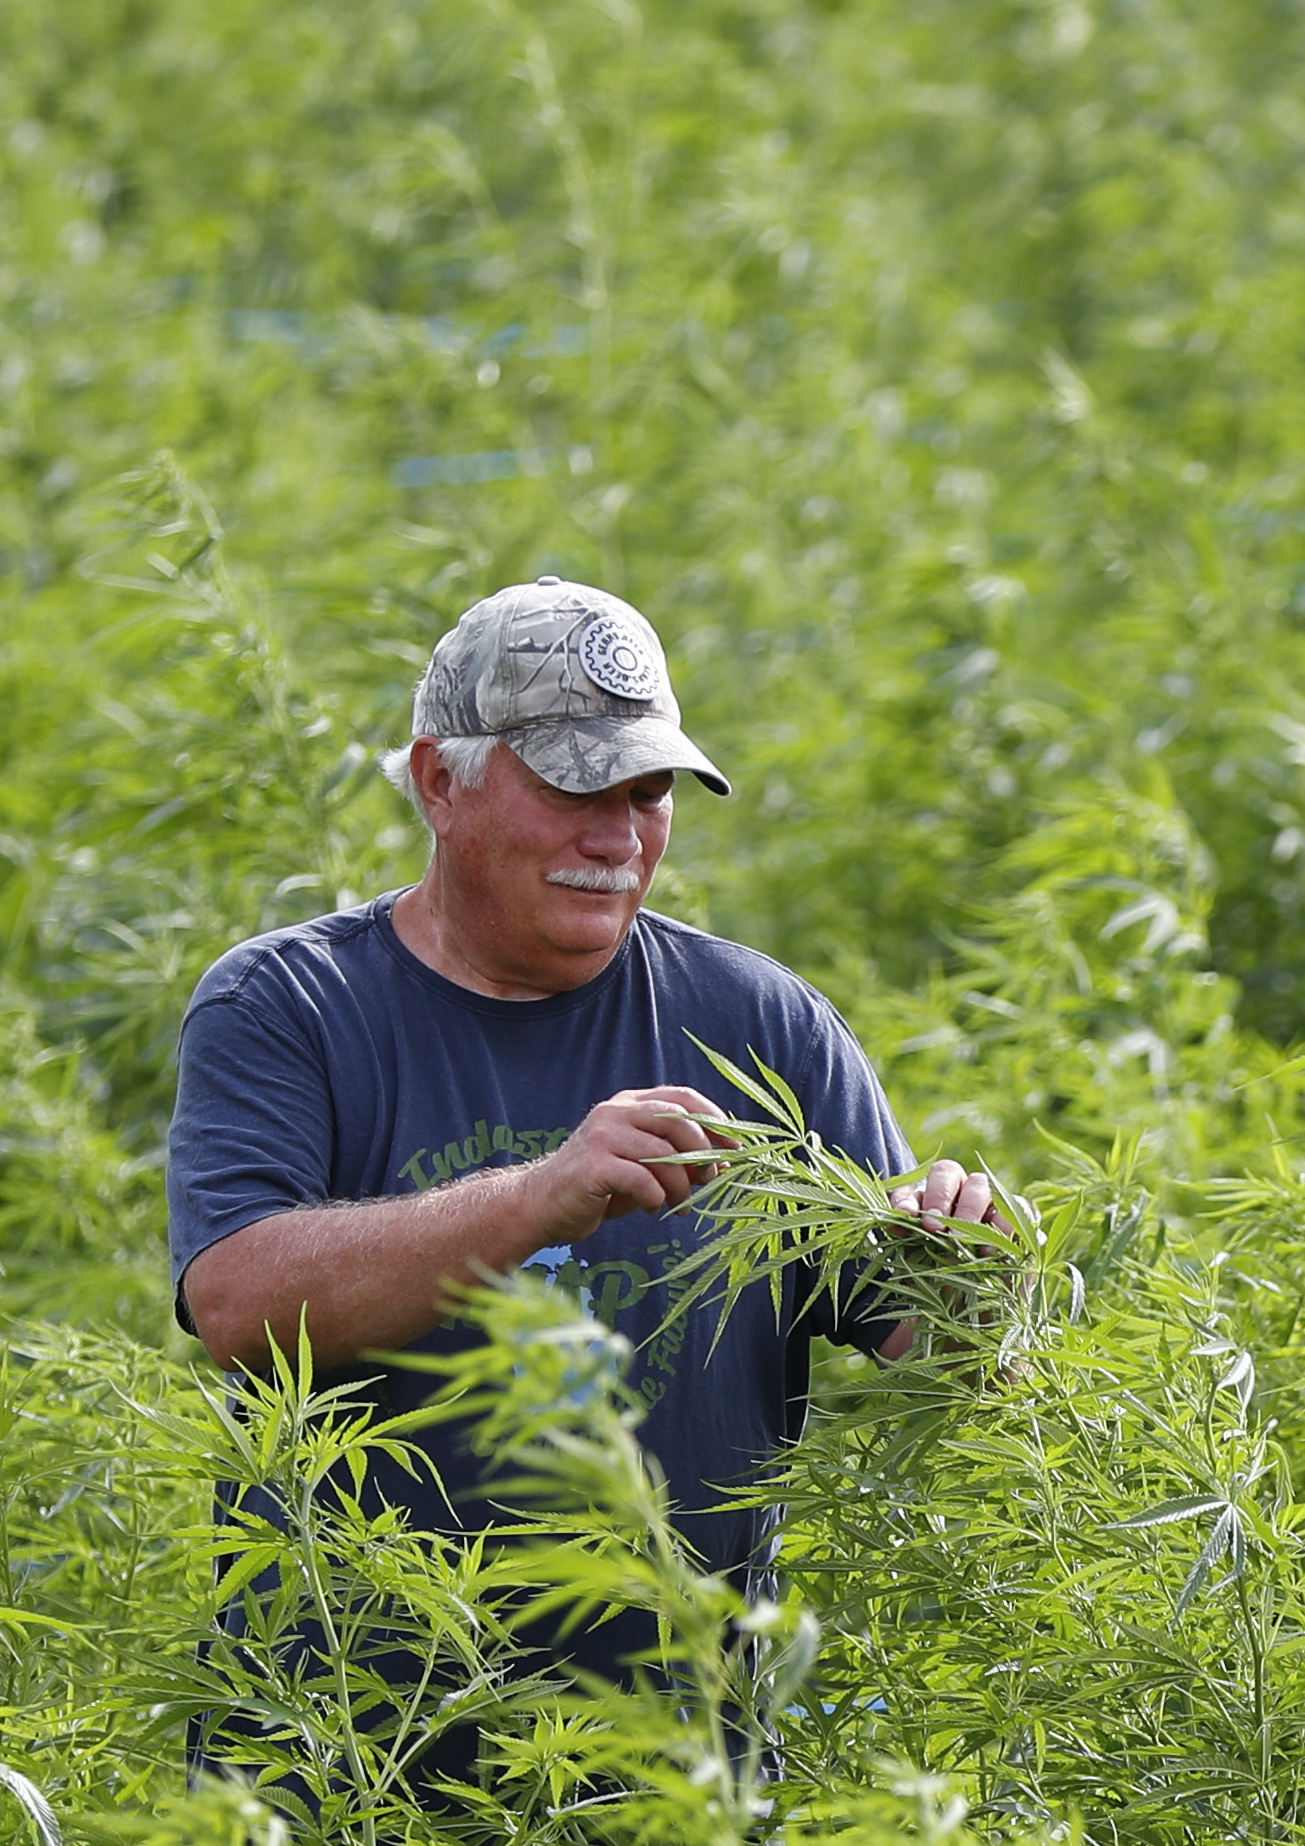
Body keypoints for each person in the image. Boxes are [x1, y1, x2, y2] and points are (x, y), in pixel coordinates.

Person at [166, 575, 996, 1774]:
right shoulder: (290, 1007)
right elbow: (240, 1302)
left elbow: (948, 1355)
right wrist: (539, 1196)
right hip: (342, 1784)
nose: (617, 837)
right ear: (439, 781)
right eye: (573, 788)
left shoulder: (761, 1024)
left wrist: (973, 1274)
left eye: (648, 790)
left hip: (676, 1807)